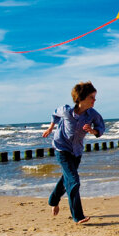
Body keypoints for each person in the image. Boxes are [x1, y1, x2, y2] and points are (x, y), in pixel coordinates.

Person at [42, 81, 105, 224]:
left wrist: (93, 130)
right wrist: (50, 128)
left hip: (76, 151)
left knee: (67, 179)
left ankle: (53, 199)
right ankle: (78, 216)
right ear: (81, 98)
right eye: (91, 97)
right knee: (74, 181)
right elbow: (54, 114)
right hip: (62, 149)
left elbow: (101, 128)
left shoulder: (93, 115)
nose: (94, 100)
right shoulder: (65, 110)